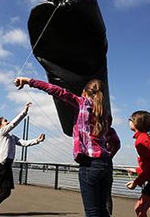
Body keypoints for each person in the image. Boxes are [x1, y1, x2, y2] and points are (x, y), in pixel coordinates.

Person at [14, 77, 113, 217]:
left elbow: (55, 90)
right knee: (103, 210)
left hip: (89, 164)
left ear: (84, 92)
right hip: (106, 164)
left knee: (92, 212)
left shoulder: (81, 103)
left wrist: (28, 81)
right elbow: (116, 142)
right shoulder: (106, 114)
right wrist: (106, 158)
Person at [0, 102, 45, 217]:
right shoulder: (1, 133)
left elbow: (24, 143)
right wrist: (24, 112)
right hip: (0, 164)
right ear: (0, 126)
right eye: (5, 121)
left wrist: (37, 140)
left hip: (7, 165)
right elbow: (13, 124)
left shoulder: (12, 137)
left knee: (6, 192)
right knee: (5, 192)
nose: (7, 122)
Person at [105, 127, 121, 216]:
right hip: (107, 163)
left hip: (94, 163)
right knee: (107, 193)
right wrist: (110, 155)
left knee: (94, 194)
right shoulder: (110, 130)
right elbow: (117, 144)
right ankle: (108, 214)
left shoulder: (89, 127)